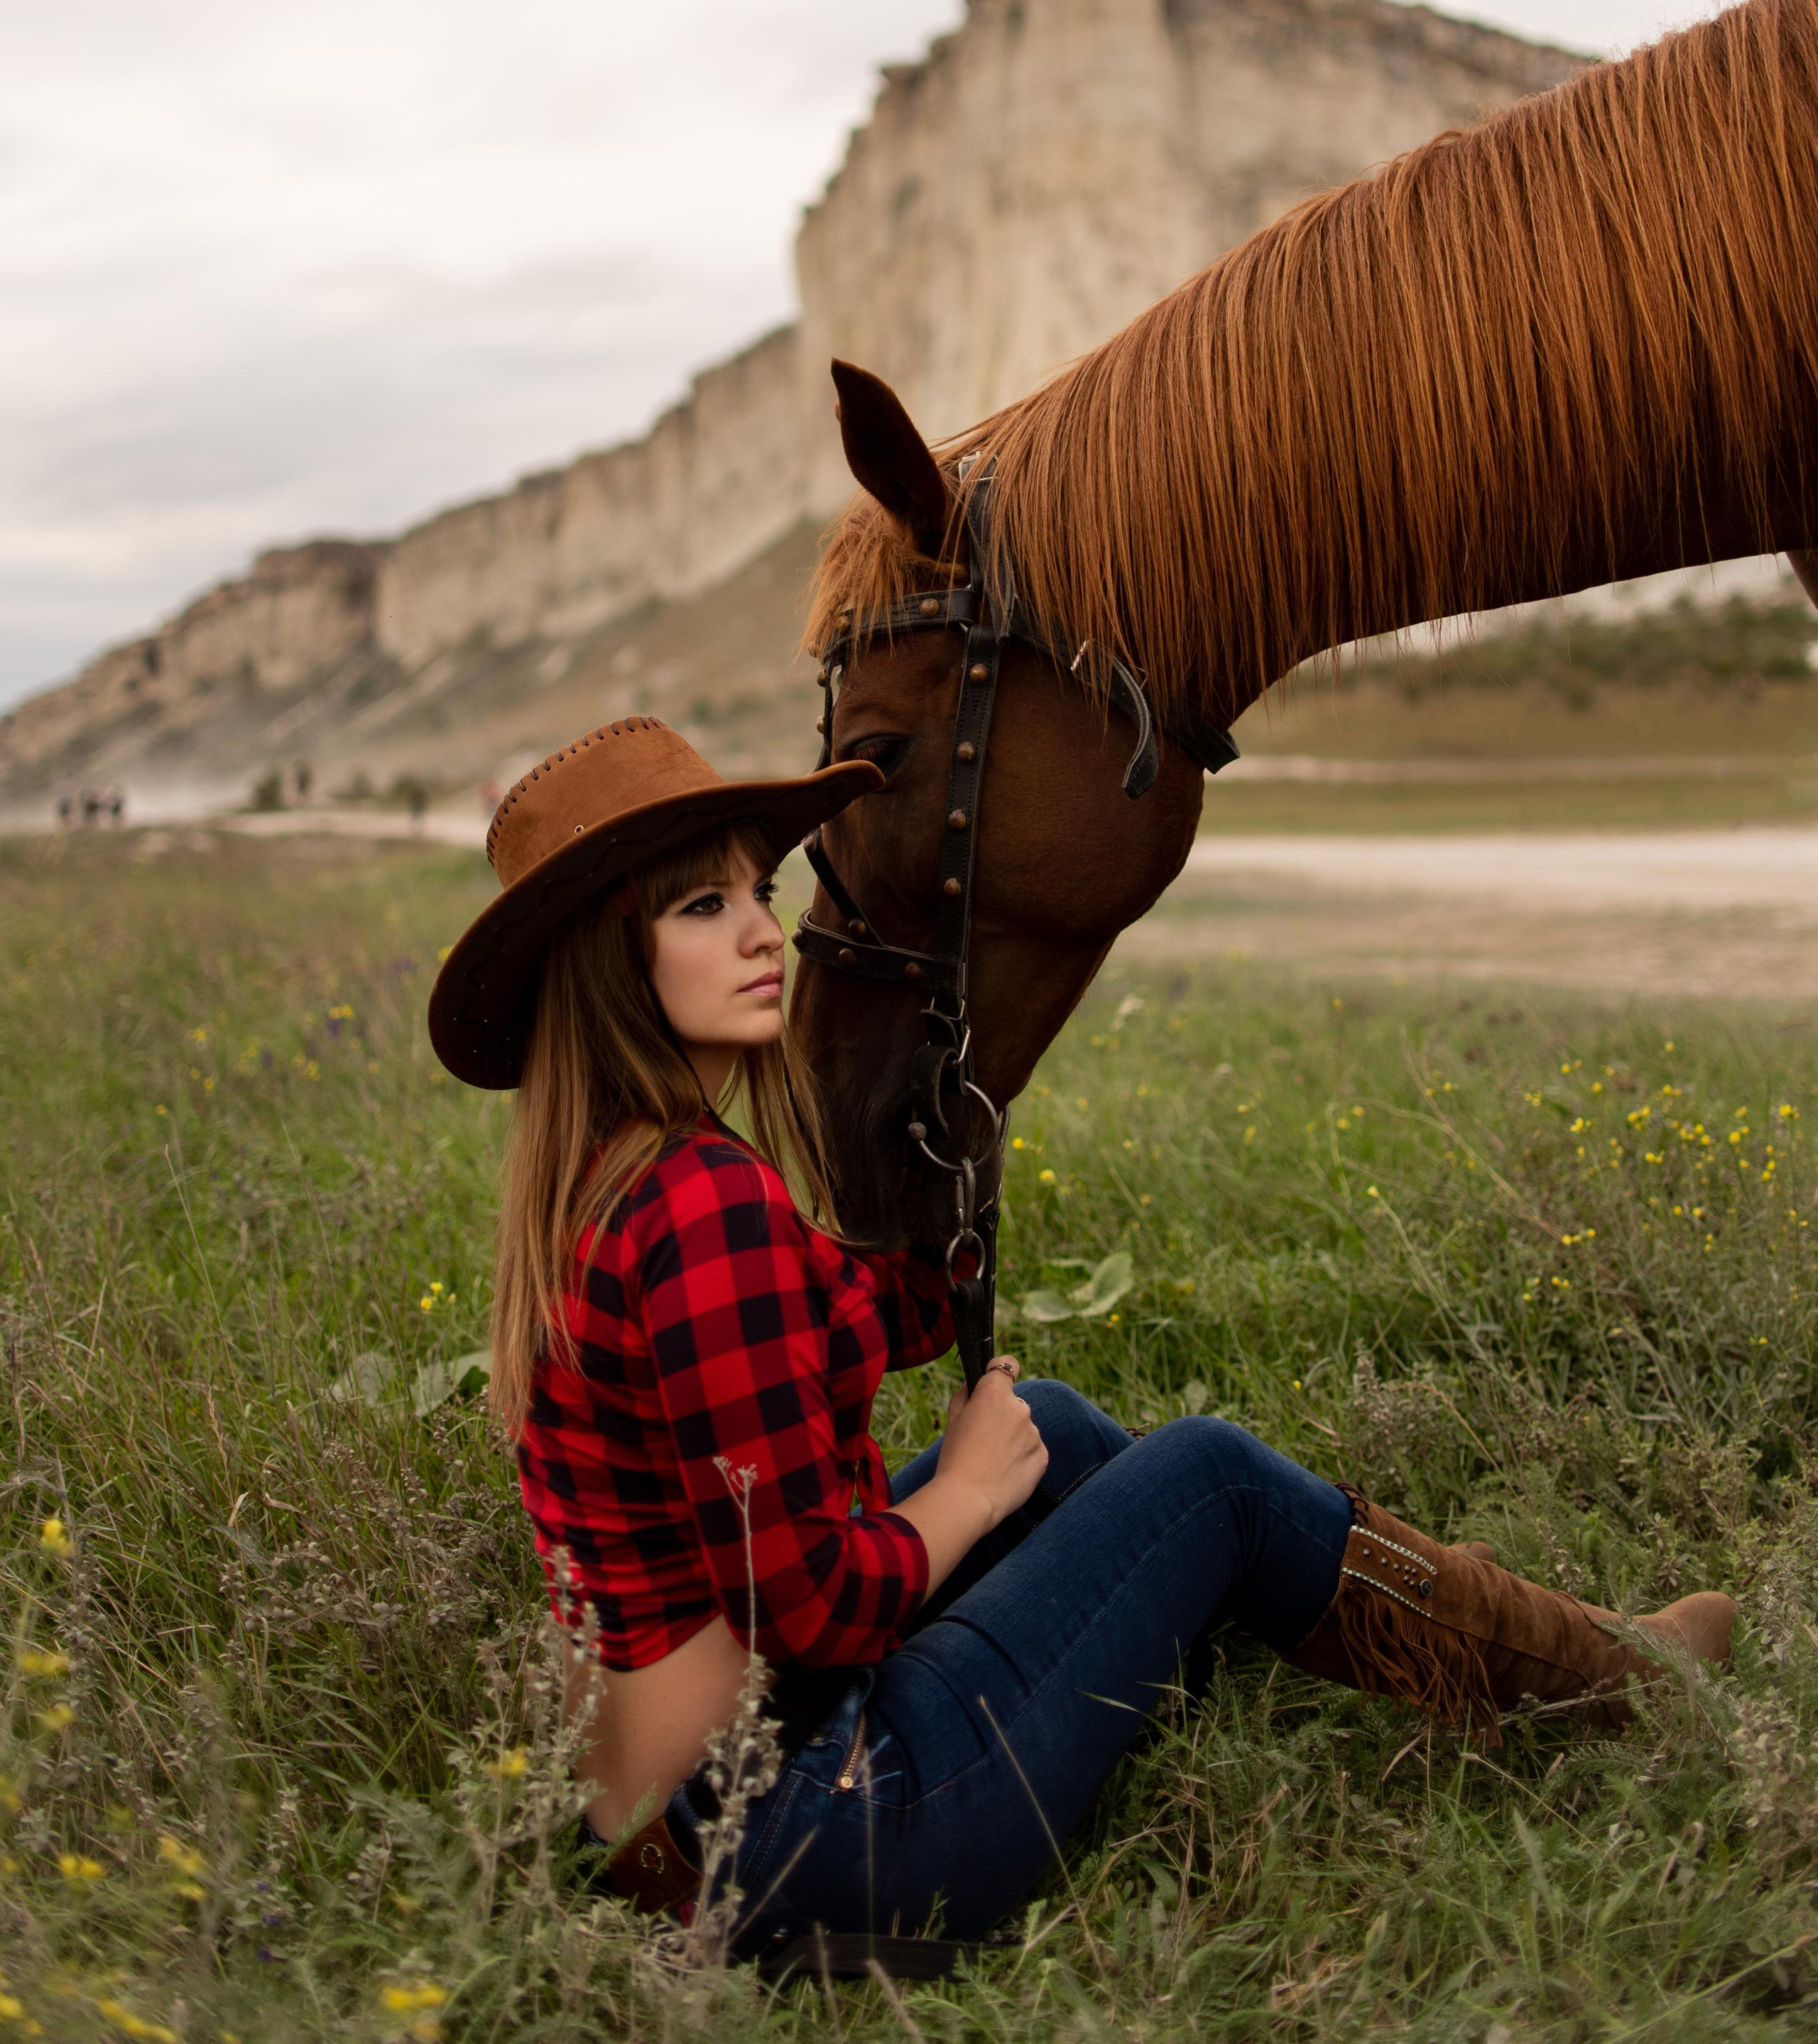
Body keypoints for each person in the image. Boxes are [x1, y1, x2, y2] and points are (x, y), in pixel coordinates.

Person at [428, 717, 1735, 1967]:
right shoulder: (703, 1204)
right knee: (1207, 1475)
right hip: (813, 1831)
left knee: (1047, 1415)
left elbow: (845, 1322)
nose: (766, 931)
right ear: (612, 955)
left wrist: (956, 1165)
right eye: (703, 907)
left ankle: (1271, 1623)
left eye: (758, 891)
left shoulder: (611, 1177)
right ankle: (1606, 1676)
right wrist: (965, 1493)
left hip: (684, 1827)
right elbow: (812, 1609)